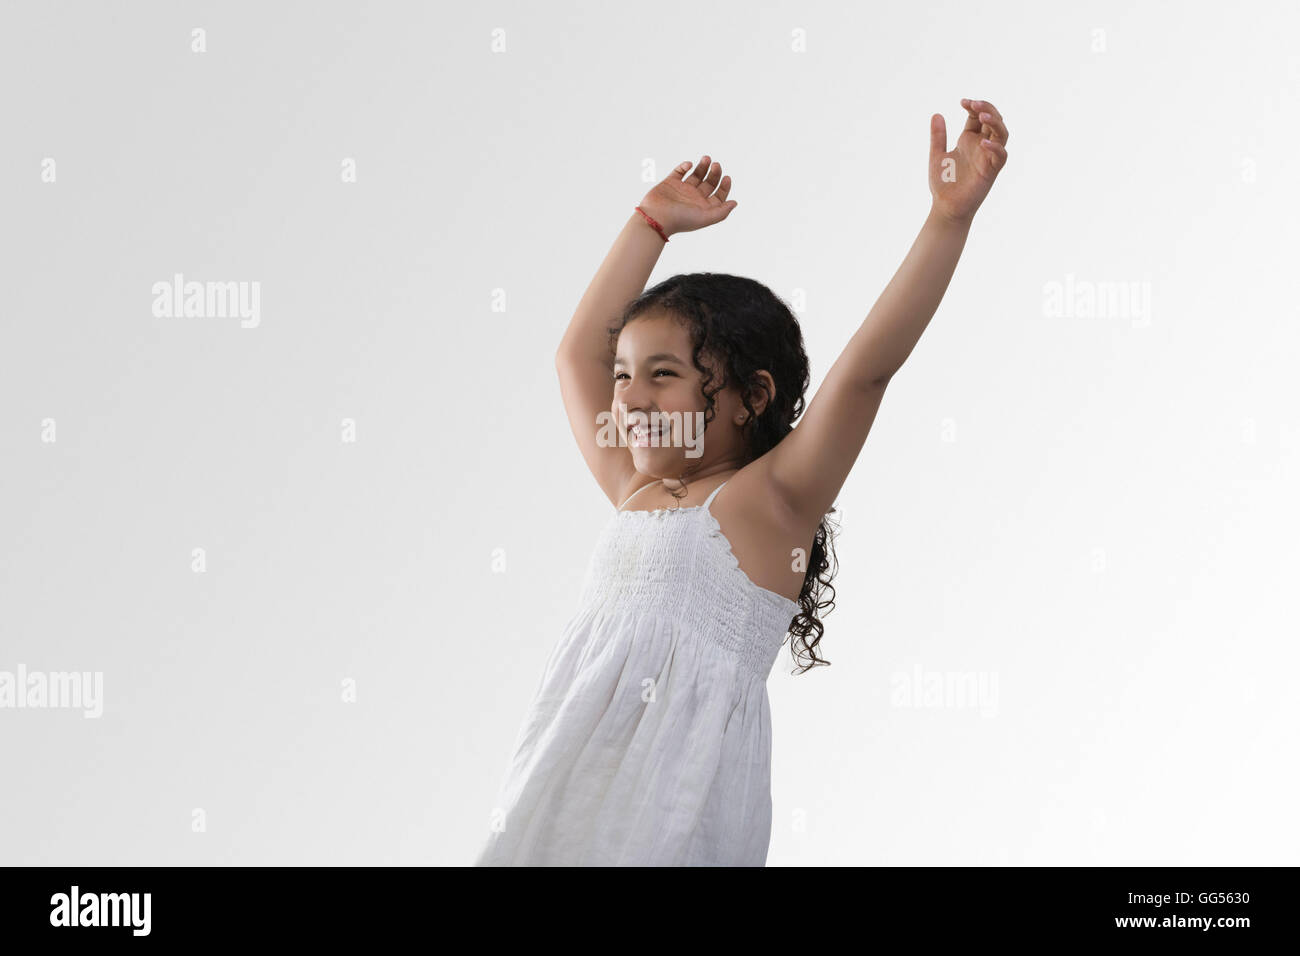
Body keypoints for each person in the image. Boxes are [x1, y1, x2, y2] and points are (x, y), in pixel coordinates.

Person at [474, 98, 1010, 866]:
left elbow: (867, 369)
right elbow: (575, 359)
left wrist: (948, 219)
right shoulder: (635, 488)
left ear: (751, 396)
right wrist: (647, 226)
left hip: (669, 817)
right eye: (625, 376)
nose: (627, 399)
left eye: (663, 375)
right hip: (557, 806)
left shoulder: (766, 505)